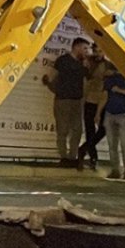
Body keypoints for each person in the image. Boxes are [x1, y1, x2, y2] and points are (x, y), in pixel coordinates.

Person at [43, 37, 89, 168]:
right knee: (62, 129)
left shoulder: (83, 64)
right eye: (84, 48)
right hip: (63, 99)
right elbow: (52, 76)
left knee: (77, 130)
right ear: (76, 47)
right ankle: (63, 157)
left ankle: (72, 156)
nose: (86, 51)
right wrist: (51, 85)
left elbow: (87, 81)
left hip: (77, 100)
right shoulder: (63, 61)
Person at [101, 67, 125, 182]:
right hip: (110, 113)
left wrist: (119, 90)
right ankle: (115, 170)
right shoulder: (111, 78)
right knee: (112, 145)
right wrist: (99, 112)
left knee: (124, 145)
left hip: (124, 114)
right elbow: (105, 95)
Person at [78, 44, 109, 170]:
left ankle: (84, 149)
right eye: (96, 51)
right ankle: (93, 157)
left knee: (103, 129)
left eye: (100, 51)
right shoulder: (89, 63)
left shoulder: (106, 65)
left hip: (101, 100)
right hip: (90, 100)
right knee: (90, 131)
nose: (98, 54)